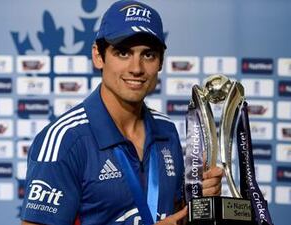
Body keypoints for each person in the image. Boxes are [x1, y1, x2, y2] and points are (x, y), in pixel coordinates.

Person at [20, 1, 223, 224]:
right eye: (123, 52)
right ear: (99, 55)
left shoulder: (167, 131)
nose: (136, 68)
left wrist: (197, 199)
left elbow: (171, 214)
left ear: (161, 62)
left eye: (148, 55)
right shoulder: (65, 141)